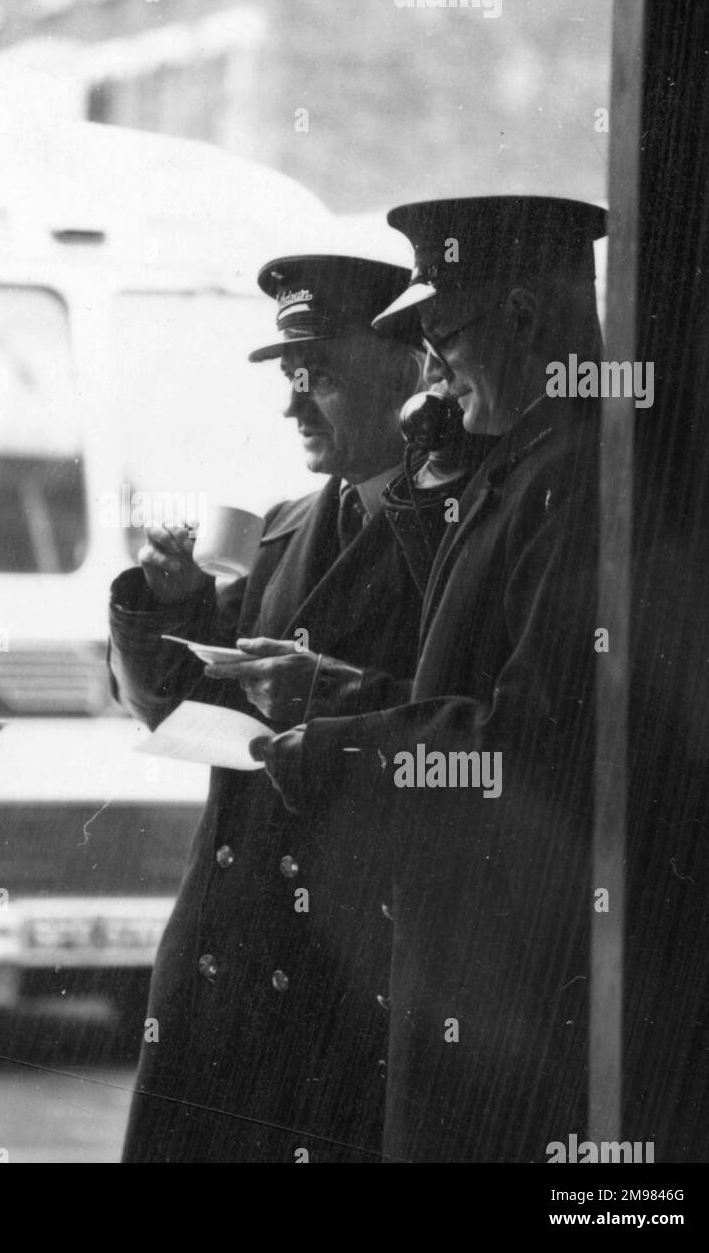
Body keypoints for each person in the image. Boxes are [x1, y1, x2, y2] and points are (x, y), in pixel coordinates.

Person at [253, 196, 607, 1163]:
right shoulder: (518, 464)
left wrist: (343, 748)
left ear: (525, 322)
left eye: (439, 339)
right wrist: (343, 697)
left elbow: (528, 744)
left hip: (519, 973)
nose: (433, 373)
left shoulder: (572, 477)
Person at [110, 253, 486, 1162]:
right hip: (229, 957)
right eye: (288, 376)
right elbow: (181, 704)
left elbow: (471, 729)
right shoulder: (281, 529)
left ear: (407, 374)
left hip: (354, 968)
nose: (290, 405)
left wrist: (324, 695)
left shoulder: (461, 530)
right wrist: (167, 601)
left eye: (316, 376)